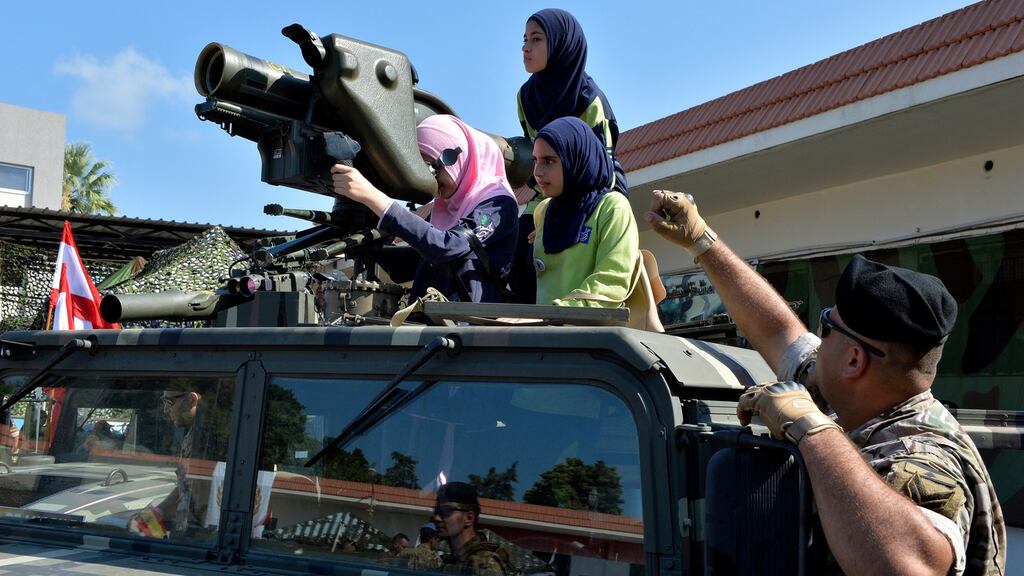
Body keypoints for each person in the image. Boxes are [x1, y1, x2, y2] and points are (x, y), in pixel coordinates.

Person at [645, 191, 1006, 575]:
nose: (817, 339)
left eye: (826, 326)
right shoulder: (855, 396)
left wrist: (813, 432)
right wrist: (701, 240)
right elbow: (778, 332)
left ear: (854, 360)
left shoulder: (922, 458)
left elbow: (907, 568)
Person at [331, 115, 518, 304]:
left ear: (455, 159)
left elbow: (446, 246)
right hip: (432, 323)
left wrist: (374, 198)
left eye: (432, 169)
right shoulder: (444, 209)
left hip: (466, 327)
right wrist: (366, 238)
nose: (430, 182)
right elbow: (404, 268)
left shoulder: (497, 204)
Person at [511, 8, 628, 303]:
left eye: (536, 39)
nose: (526, 47)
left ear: (562, 44)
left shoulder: (589, 99)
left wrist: (558, 216)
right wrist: (544, 212)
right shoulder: (525, 98)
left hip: (596, 190)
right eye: (524, 39)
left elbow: (598, 167)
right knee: (515, 254)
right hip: (547, 191)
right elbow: (535, 155)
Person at [531, 116, 638, 308]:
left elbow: (611, 285)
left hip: (590, 335)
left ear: (577, 157)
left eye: (549, 160)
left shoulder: (612, 208)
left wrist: (552, 317)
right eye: (535, 160)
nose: (537, 171)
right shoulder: (543, 211)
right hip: (544, 333)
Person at [129, 386, 204, 538]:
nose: (164, 410)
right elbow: (188, 487)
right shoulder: (193, 435)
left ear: (192, 399)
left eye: (169, 402)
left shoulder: (215, 440)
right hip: (186, 535)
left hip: (204, 542)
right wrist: (158, 512)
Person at [431, 482, 510, 576]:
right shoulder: (454, 560)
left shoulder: (484, 564)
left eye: (447, 511)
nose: (437, 518)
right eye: (436, 511)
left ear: (469, 518)